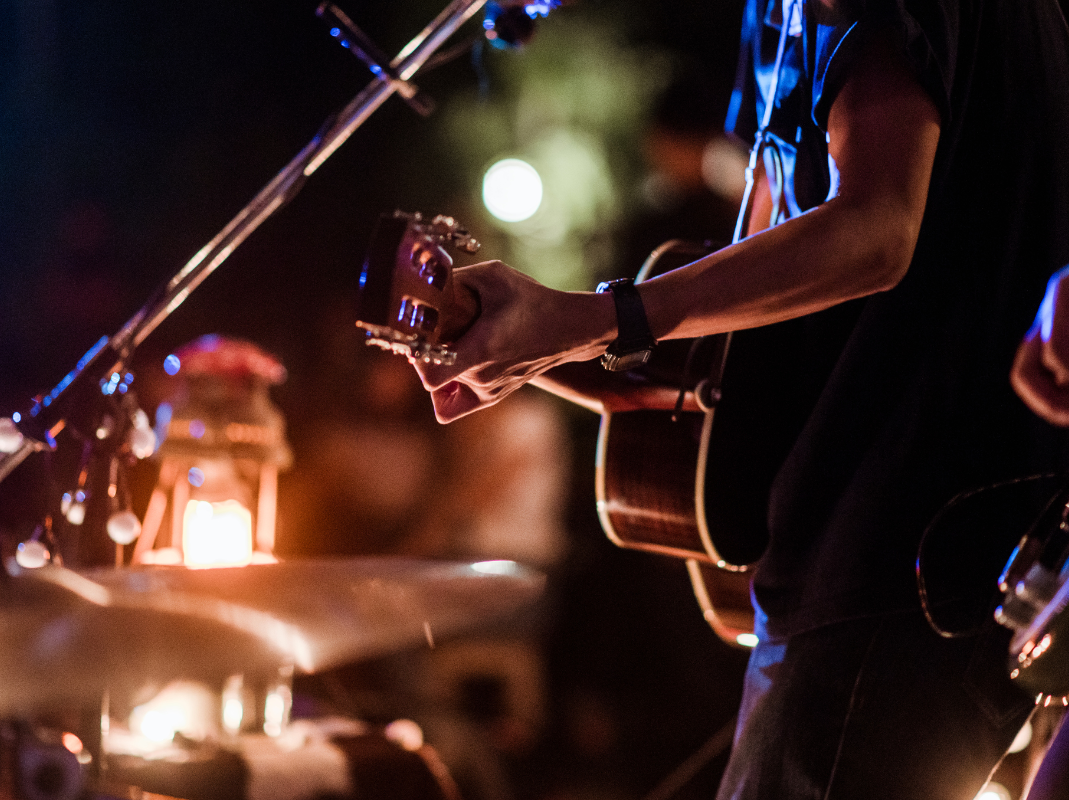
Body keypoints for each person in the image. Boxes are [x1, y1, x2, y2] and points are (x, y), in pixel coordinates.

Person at [408, 0, 1069, 797]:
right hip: (924, 548)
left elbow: (878, 228)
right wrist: (543, 337)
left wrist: (603, 316)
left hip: (905, 545)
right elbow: (754, 349)